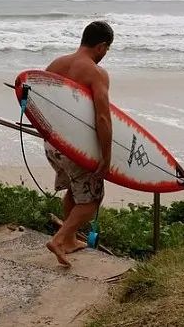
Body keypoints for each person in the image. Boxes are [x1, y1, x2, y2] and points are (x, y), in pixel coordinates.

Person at [43, 20, 113, 267]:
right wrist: (106, 156)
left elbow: (40, 103)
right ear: (101, 46)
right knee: (91, 201)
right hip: (76, 149)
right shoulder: (96, 73)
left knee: (75, 189)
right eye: (106, 49)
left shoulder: (56, 64)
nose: (105, 55)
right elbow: (102, 117)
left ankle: (71, 239)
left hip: (53, 145)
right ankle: (60, 239)